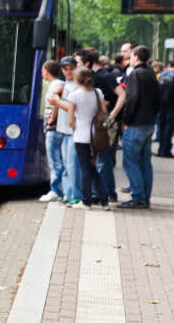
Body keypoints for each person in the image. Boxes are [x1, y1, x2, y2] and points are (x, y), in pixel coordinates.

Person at [49, 67, 109, 210]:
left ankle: (86, 201)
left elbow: (71, 120)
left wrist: (75, 128)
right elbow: (104, 112)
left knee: (85, 169)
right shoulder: (97, 92)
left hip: (81, 136)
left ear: (76, 79)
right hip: (95, 136)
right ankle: (104, 200)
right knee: (93, 168)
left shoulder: (74, 95)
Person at [77, 47, 123, 203]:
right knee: (102, 159)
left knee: (102, 160)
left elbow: (123, 95)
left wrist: (111, 117)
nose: (77, 67)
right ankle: (106, 192)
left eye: (78, 63)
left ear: (87, 63)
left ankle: (105, 193)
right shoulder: (100, 76)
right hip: (96, 125)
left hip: (101, 126)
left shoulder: (103, 76)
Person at [119, 45, 160, 209]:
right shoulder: (151, 73)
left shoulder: (135, 74)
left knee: (130, 162)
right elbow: (159, 98)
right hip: (149, 123)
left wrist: (126, 120)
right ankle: (144, 197)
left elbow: (132, 99)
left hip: (135, 123)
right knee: (145, 162)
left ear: (136, 57)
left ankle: (138, 197)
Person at [55, 56, 82, 206]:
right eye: (65, 69)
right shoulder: (66, 84)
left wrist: (57, 102)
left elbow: (75, 108)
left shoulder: (77, 85)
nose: (68, 71)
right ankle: (68, 193)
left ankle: (75, 195)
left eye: (71, 68)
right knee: (66, 164)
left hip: (72, 130)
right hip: (64, 129)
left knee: (72, 165)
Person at [39, 60, 66, 203]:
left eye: (43, 70)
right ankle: (59, 189)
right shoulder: (57, 84)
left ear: (46, 71)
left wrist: (51, 119)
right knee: (57, 160)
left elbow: (56, 101)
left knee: (55, 161)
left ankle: (57, 191)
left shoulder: (56, 85)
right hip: (56, 128)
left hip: (53, 128)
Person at [155, 55, 174, 158]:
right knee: (169, 128)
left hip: (161, 105)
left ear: (169, 65)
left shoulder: (162, 74)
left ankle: (160, 150)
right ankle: (166, 150)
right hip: (172, 105)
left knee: (161, 127)